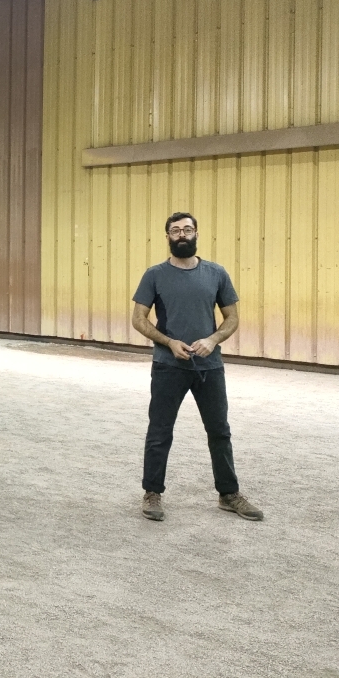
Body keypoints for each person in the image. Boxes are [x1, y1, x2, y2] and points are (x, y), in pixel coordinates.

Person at [130, 212, 262, 523]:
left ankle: (229, 494)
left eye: (187, 229)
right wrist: (169, 342)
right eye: (175, 230)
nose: (182, 235)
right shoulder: (154, 275)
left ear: (197, 234)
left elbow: (232, 318)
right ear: (167, 237)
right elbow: (138, 319)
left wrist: (213, 339)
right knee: (160, 431)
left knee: (219, 431)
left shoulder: (216, 273)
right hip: (168, 366)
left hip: (209, 367)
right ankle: (152, 492)